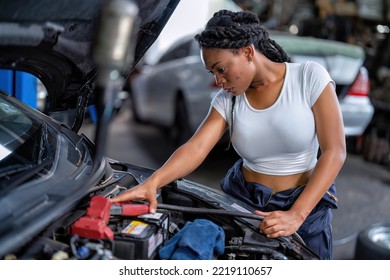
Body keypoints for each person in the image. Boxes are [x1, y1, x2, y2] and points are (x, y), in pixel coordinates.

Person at [112, 9, 346, 259]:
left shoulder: (308, 77)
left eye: (221, 69)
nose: (219, 80)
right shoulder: (228, 100)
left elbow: (335, 151)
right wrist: (152, 183)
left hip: (305, 205)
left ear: (247, 52)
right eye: (212, 73)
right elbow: (196, 148)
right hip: (244, 202)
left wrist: (297, 214)